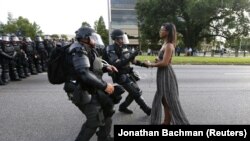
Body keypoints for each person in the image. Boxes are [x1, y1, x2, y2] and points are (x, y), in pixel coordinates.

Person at [64, 27, 117, 141]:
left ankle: (104, 137)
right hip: (79, 89)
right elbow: (84, 73)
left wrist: (106, 68)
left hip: (89, 87)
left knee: (108, 109)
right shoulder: (78, 49)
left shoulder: (88, 48)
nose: (95, 40)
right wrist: (105, 86)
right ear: (85, 38)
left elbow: (92, 69)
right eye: (93, 38)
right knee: (94, 120)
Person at [144, 23, 189, 125]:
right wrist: (157, 59)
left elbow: (165, 63)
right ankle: (166, 122)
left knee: (168, 100)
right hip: (162, 74)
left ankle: (170, 122)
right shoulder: (165, 44)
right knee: (164, 100)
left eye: (162, 30)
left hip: (166, 75)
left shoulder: (169, 45)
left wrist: (150, 64)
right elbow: (165, 60)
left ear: (167, 32)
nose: (160, 31)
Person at [103, 29, 151, 116]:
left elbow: (133, 61)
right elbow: (116, 64)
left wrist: (144, 64)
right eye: (121, 38)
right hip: (119, 75)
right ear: (116, 39)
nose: (123, 40)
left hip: (128, 73)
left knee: (136, 92)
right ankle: (147, 110)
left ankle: (123, 107)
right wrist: (130, 56)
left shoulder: (125, 47)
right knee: (135, 93)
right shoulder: (111, 49)